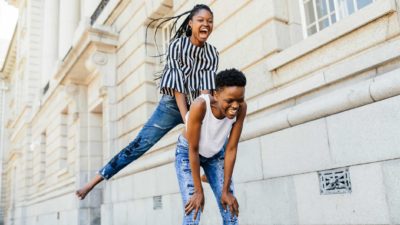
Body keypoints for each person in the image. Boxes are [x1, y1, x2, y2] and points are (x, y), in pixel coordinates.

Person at [76, 4, 218, 200]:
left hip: (195, 105)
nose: (206, 24)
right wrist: (187, 119)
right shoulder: (177, 46)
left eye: (210, 21)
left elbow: (205, 91)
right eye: (201, 20)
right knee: (139, 144)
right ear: (191, 23)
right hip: (172, 105)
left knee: (224, 116)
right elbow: (177, 88)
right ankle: (95, 180)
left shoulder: (211, 53)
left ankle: (209, 170)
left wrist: (205, 117)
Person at [175, 69, 247, 225]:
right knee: (193, 208)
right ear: (216, 94)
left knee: (230, 208)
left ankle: (209, 175)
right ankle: (203, 178)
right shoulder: (200, 105)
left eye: (239, 100)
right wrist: (198, 190)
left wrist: (226, 190)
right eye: (229, 100)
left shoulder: (241, 108)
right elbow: (192, 150)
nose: (235, 106)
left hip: (214, 154)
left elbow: (231, 148)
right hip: (187, 153)